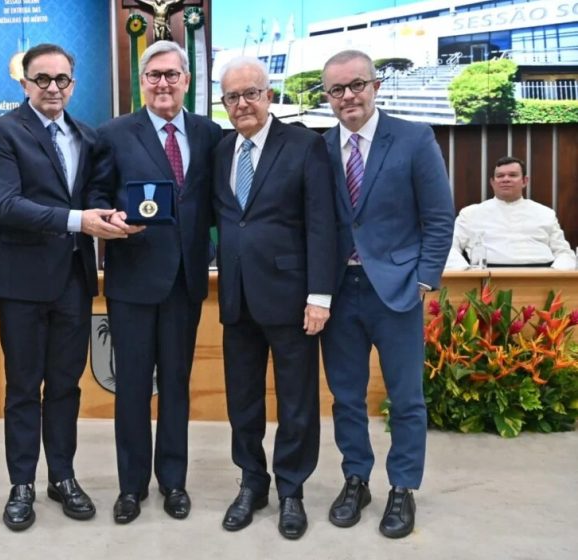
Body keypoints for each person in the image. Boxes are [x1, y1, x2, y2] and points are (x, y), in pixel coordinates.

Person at [0, 42, 125, 532]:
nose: (52, 88)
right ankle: (21, 484)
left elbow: (93, 194)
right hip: (21, 285)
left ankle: (62, 477)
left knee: (65, 387)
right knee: (23, 388)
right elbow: (6, 205)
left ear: (73, 84)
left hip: (73, 282)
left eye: (61, 79)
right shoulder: (2, 133)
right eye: (42, 79)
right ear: (24, 84)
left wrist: (109, 216)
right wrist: (79, 219)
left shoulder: (86, 134)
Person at [319, 49, 455, 539]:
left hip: (397, 292)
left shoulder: (414, 139)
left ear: (375, 86)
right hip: (339, 292)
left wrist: (423, 279)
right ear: (328, 97)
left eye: (356, 85)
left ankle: (402, 487)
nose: (348, 96)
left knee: (406, 398)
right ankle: (356, 479)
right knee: (346, 397)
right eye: (337, 90)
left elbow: (439, 217)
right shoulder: (319, 147)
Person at [87, 40, 222, 524]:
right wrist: (108, 216)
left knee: (178, 387)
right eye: (153, 75)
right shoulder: (113, 133)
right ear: (142, 81)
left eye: (171, 74)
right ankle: (131, 487)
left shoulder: (210, 133)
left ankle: (174, 481)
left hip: (186, 282)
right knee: (132, 388)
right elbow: (97, 192)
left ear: (187, 80)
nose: (163, 83)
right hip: (133, 280)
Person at [213, 56, 336, 540]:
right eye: (232, 96)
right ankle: (251, 483)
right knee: (242, 401)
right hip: (237, 299)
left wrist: (320, 296)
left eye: (251, 93)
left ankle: (291, 490)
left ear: (268, 95)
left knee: (296, 402)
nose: (242, 103)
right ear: (224, 104)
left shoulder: (305, 145)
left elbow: (322, 224)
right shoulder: (221, 150)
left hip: (292, 299)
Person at [445, 156, 576, 270]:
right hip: (485, 279)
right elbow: (448, 248)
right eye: (500, 176)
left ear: (524, 181)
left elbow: (564, 253)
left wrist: (555, 276)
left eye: (512, 175)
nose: (505, 179)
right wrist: (466, 276)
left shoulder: (546, 213)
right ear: (492, 182)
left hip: (542, 278)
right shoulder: (470, 214)